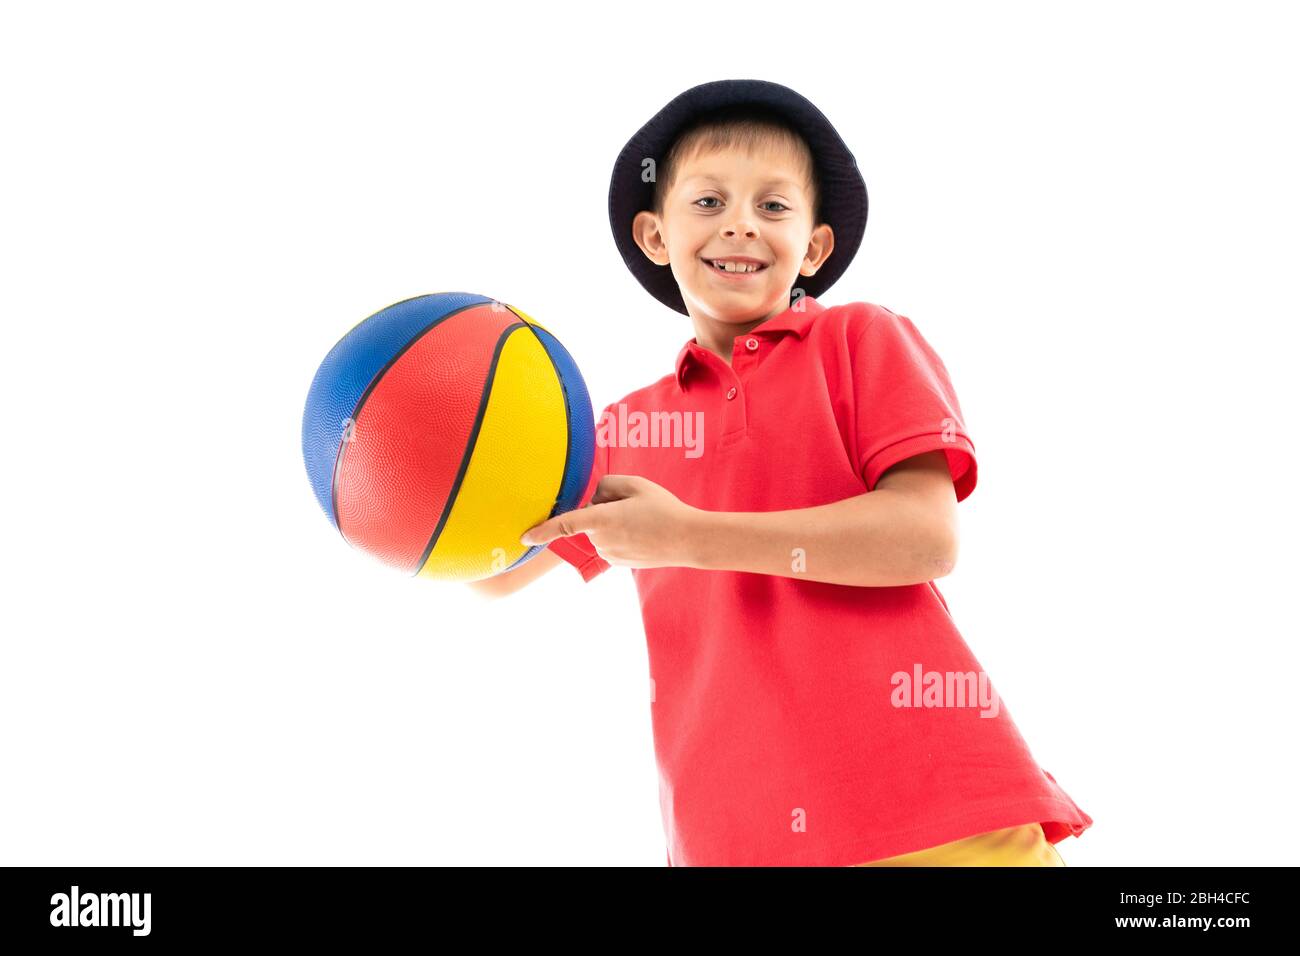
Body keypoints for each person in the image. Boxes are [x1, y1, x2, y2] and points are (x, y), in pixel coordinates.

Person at [472, 79, 1092, 867]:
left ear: (816, 246)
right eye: (706, 202)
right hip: (736, 840)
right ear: (653, 235)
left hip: (939, 812)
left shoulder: (861, 338)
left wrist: (687, 536)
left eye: (773, 206)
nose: (739, 222)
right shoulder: (622, 429)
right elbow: (493, 572)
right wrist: (448, 447)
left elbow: (925, 538)